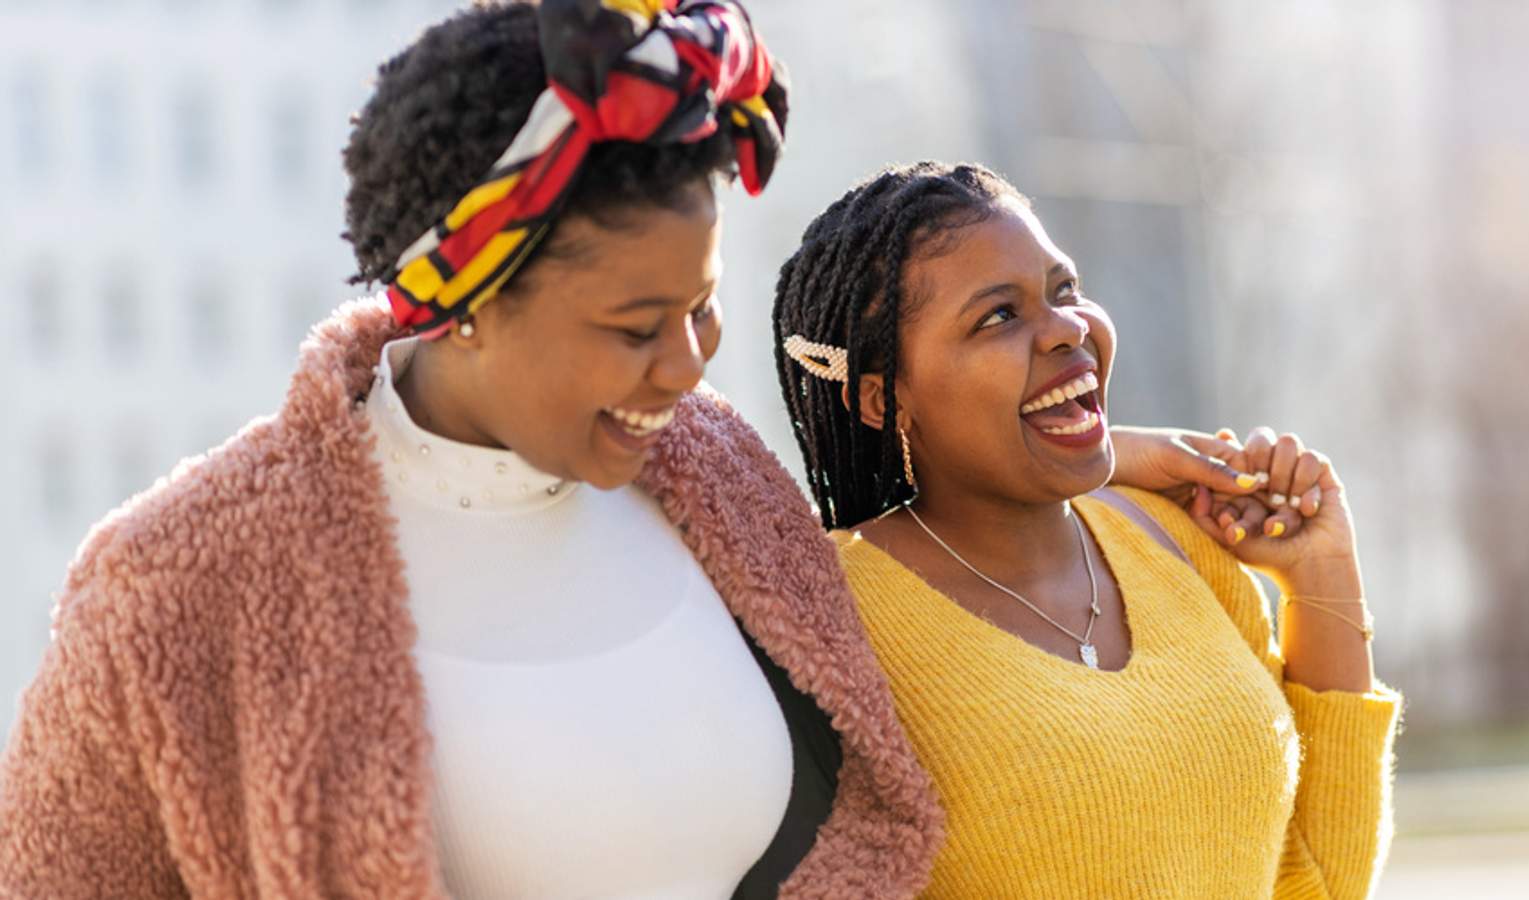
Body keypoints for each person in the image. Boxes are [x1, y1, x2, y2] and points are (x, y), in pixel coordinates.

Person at [0, 4, 1263, 897]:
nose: (688, 365)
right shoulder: (179, 590)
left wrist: (1122, 461)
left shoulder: (715, 484)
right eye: (632, 326)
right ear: (464, 302)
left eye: (703, 305)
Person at [773, 161, 1404, 898]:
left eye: (1064, 290)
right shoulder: (827, 614)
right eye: (998, 317)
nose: (1067, 329)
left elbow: (1316, 883)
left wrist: (1323, 572)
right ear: (882, 400)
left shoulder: (1177, 539)